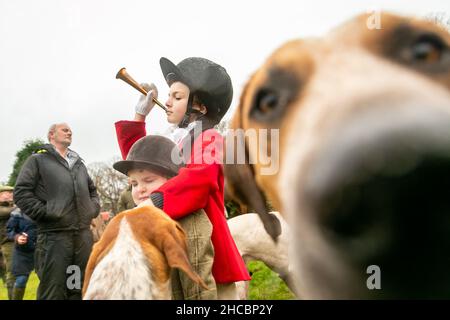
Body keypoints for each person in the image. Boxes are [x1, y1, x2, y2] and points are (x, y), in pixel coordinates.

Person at [115, 57, 250, 299]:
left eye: (177, 97)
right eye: (169, 95)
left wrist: (152, 204)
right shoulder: (174, 139)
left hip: (208, 255)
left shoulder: (210, 138)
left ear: (200, 107)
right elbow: (142, 168)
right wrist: (139, 117)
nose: (166, 102)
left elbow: (198, 180)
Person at [113, 134, 217, 299]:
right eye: (134, 183)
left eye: (148, 180)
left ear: (173, 181)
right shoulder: (137, 226)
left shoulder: (188, 222)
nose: (140, 189)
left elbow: (198, 288)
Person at [13, 123, 100, 300]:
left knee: (76, 288)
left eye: (70, 130)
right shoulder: (37, 160)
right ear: (51, 135)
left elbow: (92, 190)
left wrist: (92, 209)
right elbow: (21, 193)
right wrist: (47, 213)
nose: (70, 132)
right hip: (54, 239)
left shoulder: (78, 164)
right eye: (64, 129)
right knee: (54, 291)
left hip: (82, 238)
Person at [6, 207, 37, 300]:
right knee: (21, 279)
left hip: (42, 250)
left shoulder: (43, 209)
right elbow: (9, 231)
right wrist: (17, 237)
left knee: (47, 280)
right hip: (23, 252)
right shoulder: (17, 214)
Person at [0, 185, 16, 299]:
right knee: (11, 273)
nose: (11, 194)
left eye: (12, 192)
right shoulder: (3, 209)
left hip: (13, 242)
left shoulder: (12, 207)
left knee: (12, 272)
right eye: (8, 192)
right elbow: (11, 212)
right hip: (7, 244)